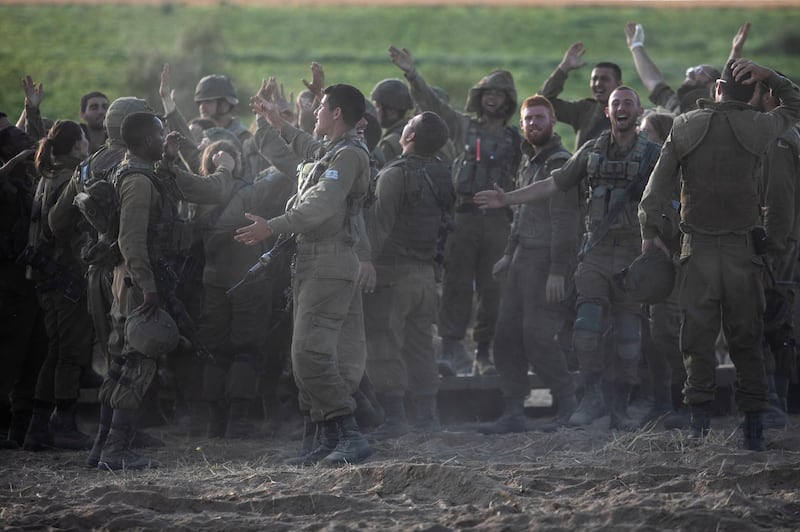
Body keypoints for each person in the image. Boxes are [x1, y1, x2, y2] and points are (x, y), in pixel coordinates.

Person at [475, 86, 661, 431]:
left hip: (635, 252)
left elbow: (671, 199)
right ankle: (591, 397)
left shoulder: (654, 154)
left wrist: (659, 242)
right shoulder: (590, 151)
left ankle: (621, 404)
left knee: (629, 337)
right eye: (615, 103)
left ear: (638, 112)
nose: (621, 108)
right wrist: (508, 200)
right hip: (597, 250)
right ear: (606, 112)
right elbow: (552, 186)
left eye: (628, 103)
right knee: (586, 330)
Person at [638, 59, 800, 451]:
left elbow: (654, 194)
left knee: (696, 340)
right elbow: (794, 105)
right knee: (747, 340)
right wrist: (771, 77)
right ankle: (754, 428)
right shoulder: (761, 127)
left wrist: (650, 235)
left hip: (698, 252)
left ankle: (699, 424)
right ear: (751, 95)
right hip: (744, 253)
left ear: (717, 90)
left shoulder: (683, 126)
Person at [92, 111, 238, 470]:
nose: (164, 138)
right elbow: (132, 240)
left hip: (131, 278)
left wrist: (171, 156)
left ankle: (102, 447)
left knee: (120, 362)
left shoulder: (135, 170)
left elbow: (196, 189)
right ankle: (116, 451)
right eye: (159, 135)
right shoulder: (139, 181)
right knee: (137, 362)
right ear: (145, 142)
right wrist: (149, 289)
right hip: (139, 280)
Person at [238, 83, 373, 466]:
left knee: (309, 354)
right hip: (316, 261)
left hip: (329, 261)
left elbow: (320, 206)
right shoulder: (333, 150)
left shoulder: (347, 155)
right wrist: (275, 120)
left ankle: (349, 433)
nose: (313, 113)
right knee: (319, 354)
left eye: (320, 108)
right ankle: (325, 437)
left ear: (337, 114)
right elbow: (304, 146)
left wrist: (274, 226)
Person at [389, 45, 521, 377]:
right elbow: (433, 107)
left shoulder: (515, 138)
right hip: (463, 215)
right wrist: (412, 74)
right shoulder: (463, 127)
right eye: (487, 93)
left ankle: (484, 353)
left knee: (493, 289)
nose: (492, 98)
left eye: (499, 94)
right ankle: (450, 349)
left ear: (508, 100)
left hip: (497, 222)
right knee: (456, 285)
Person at [478, 95, 580, 435]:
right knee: (506, 336)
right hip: (523, 260)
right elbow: (520, 216)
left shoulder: (559, 163)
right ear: (522, 125)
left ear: (553, 121)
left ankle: (568, 405)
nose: (534, 123)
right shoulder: (530, 160)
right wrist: (509, 253)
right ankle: (513, 409)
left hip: (546, 261)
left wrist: (557, 271)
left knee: (538, 337)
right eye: (528, 119)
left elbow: (565, 221)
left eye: (540, 117)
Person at [361, 111, 454, 440]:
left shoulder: (393, 175)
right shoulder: (443, 174)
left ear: (410, 137)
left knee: (383, 343)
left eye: (408, 126)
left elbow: (379, 225)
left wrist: (366, 261)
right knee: (420, 346)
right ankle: (429, 418)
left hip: (392, 273)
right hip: (426, 274)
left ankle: (395, 419)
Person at [20, 120, 94, 451]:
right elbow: (67, 230)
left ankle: (38, 426)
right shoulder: (68, 179)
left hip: (46, 277)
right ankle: (61, 423)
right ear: (78, 146)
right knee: (68, 352)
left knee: (56, 350)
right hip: (65, 276)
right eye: (84, 141)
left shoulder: (48, 175)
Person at [0, 112, 47, 448]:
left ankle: (20, 428)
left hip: (28, 280)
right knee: (7, 356)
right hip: (8, 282)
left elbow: (37, 146)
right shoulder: (7, 181)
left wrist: (32, 112)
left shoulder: (26, 180)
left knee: (33, 354)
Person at [623, 21, 749, 115]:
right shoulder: (676, 105)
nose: (691, 72)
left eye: (700, 71)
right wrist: (636, 45)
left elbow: (725, 84)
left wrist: (735, 51)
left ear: (713, 85)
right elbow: (653, 81)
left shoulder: (715, 108)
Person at [539, 42, 623, 150]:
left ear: (618, 84)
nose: (598, 84)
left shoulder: (629, 113)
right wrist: (564, 67)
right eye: (594, 79)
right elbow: (543, 103)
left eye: (604, 79)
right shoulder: (585, 110)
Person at [370, 78, 414, 167]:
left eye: (377, 106)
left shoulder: (390, 143)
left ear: (391, 111)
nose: (375, 111)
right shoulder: (416, 131)